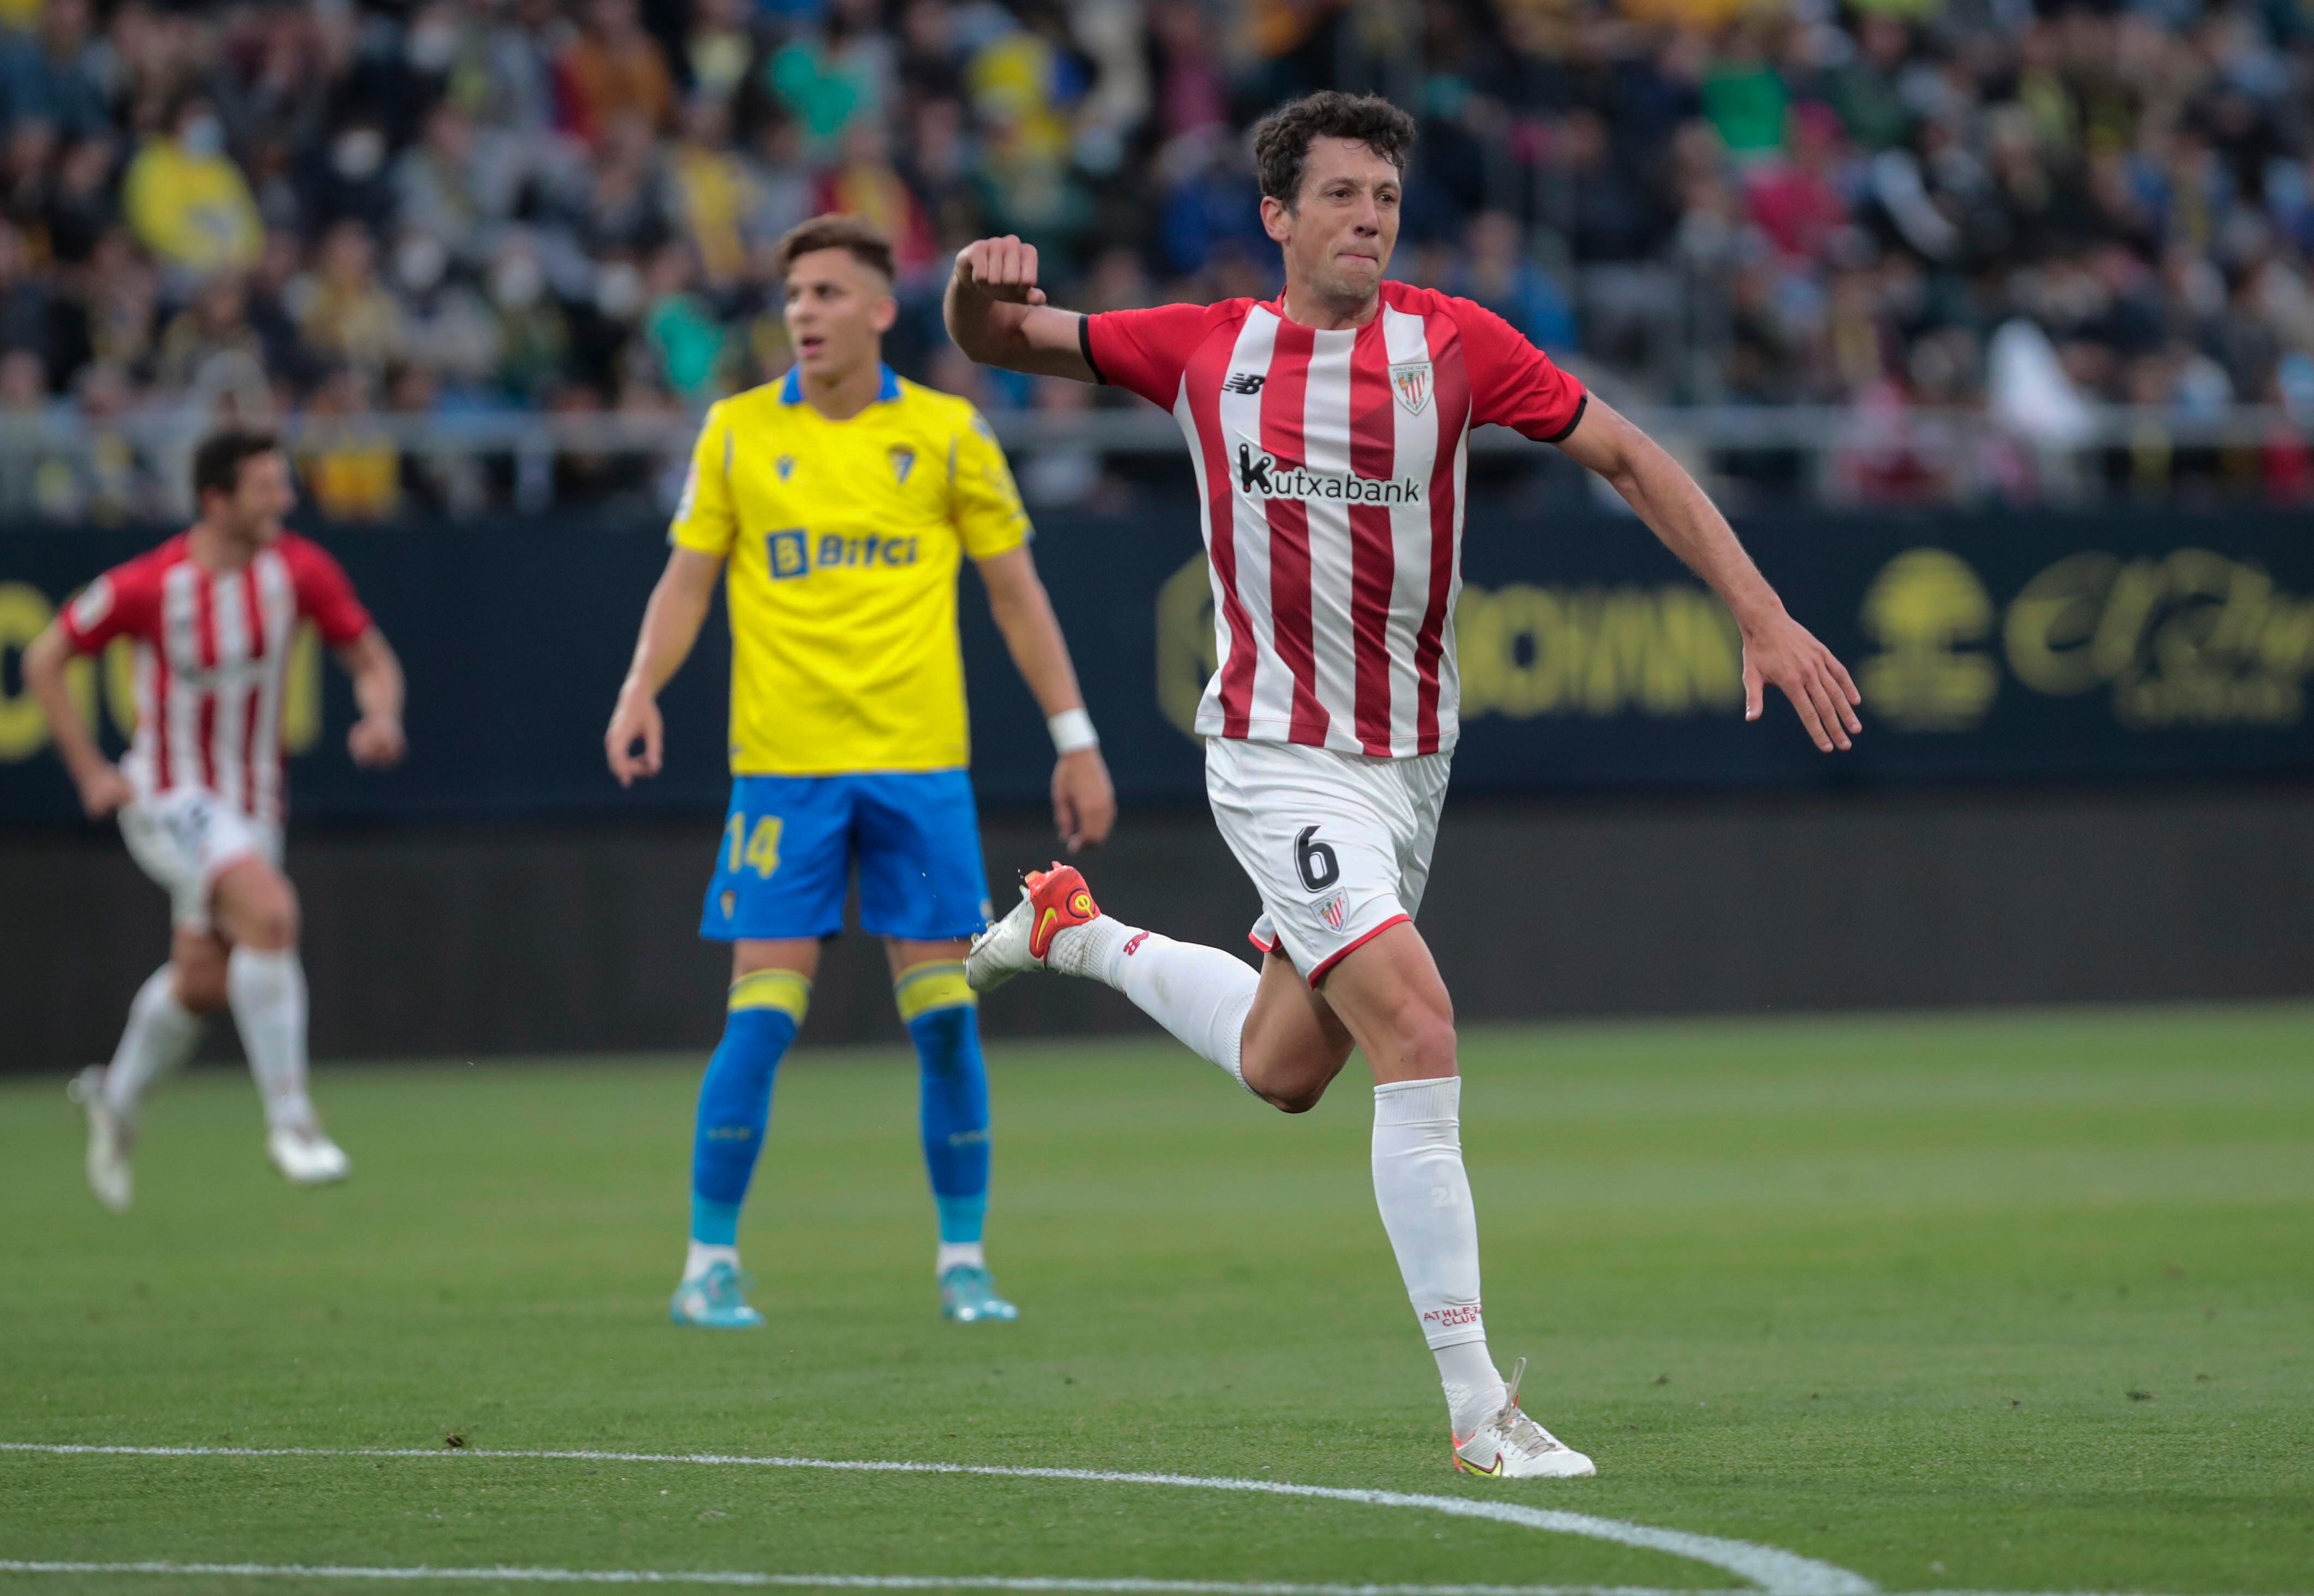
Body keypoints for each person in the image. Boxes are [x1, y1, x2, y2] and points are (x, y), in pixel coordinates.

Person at [944, 91, 1862, 1479]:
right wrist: (973, 290)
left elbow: (1623, 451)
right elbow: (1006, 339)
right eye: (1341, 196)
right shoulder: (1206, 347)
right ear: (1278, 217)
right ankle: (1478, 1406)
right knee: (1417, 1026)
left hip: (1407, 769)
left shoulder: (1453, 345)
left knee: (1283, 1067)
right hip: (1270, 754)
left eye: (1383, 196)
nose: (1368, 217)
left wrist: (1760, 609)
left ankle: (1077, 932)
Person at [605, 214, 1116, 1331]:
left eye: (830, 293)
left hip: (917, 771)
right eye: (795, 294)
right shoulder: (737, 433)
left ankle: (964, 1262)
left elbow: (1016, 594)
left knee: (943, 1018)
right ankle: (706, 1265)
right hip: (783, 775)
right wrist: (641, 685)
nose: (805, 312)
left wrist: (1074, 736)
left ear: (883, 310)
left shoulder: (946, 434)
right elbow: (688, 582)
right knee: (761, 1018)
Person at [23, 430, 407, 1211]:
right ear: (216, 501)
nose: (285, 500)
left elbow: (371, 659)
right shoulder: (148, 584)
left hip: (254, 802)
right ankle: (293, 1123)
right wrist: (92, 771)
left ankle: (117, 1100)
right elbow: (43, 659)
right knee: (271, 912)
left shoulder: (297, 570)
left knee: (203, 982)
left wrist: (381, 717)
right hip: (169, 796)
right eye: (267, 488)